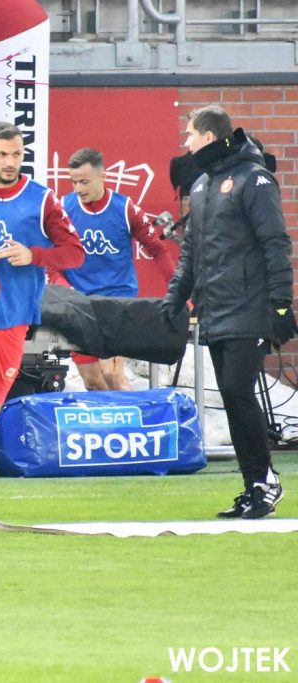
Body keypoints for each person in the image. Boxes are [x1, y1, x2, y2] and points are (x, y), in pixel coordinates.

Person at [161, 105, 296, 519]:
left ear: (208, 136)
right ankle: (254, 486)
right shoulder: (202, 184)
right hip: (216, 309)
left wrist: (280, 304)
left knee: (238, 392)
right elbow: (191, 251)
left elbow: (276, 243)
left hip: (250, 307)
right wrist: (174, 298)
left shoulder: (254, 179)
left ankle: (265, 481)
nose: (185, 143)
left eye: (189, 134)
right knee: (235, 399)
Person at [0, 122, 84, 515]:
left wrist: (34, 255)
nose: (10, 162)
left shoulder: (42, 200)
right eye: (3, 154)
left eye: (17, 155)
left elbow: (75, 253)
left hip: (14, 315)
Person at [51, 147, 175, 391]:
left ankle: (135, 415)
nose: (78, 188)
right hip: (81, 305)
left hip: (116, 302)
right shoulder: (62, 208)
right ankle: (114, 416)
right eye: (73, 182)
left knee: (112, 374)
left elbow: (157, 250)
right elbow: (51, 264)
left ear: (102, 177)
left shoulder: (125, 208)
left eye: (84, 182)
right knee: (92, 381)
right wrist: (69, 293)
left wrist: (178, 293)